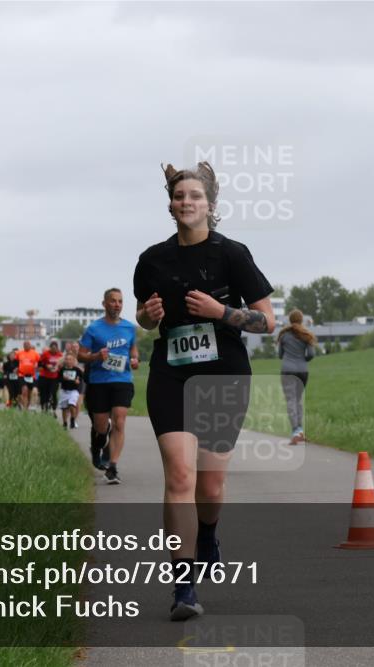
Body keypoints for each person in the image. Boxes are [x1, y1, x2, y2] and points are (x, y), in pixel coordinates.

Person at [134, 162, 274, 621]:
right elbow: (142, 316)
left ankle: (208, 533)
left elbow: (267, 321)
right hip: (171, 373)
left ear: (210, 204)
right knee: (179, 476)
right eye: (179, 196)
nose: (186, 202)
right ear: (170, 204)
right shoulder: (152, 259)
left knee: (209, 485)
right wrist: (149, 316)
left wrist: (221, 312)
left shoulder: (232, 254)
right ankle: (183, 586)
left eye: (195, 195)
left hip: (223, 374)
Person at [79, 288, 140, 480]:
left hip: (122, 380)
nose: (117, 305)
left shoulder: (129, 328)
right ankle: (98, 446)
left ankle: (112, 467)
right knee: (101, 427)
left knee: (119, 422)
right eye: (113, 301)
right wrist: (96, 356)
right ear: (104, 304)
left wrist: (135, 359)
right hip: (99, 382)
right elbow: (81, 355)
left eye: (120, 301)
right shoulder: (93, 329)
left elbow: (133, 349)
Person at [276, 309, 316, 444]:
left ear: (290, 320)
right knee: (298, 401)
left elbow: (280, 355)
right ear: (301, 320)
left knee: (291, 401)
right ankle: (300, 431)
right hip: (303, 371)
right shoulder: (306, 335)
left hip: (288, 371)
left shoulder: (284, 336)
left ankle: (296, 432)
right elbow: (311, 354)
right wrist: (302, 360)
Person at [57, 353, 83, 429]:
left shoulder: (77, 370)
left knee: (72, 405)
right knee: (64, 408)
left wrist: (78, 381)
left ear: (73, 361)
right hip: (64, 390)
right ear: (65, 360)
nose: (68, 361)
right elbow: (58, 379)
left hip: (74, 391)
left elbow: (82, 378)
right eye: (67, 359)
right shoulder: (62, 369)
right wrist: (63, 379)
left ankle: (72, 420)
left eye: (70, 359)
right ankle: (65, 423)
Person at [38, 340, 62, 417]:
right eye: (52, 348)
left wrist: (59, 367)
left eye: (55, 348)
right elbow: (39, 363)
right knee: (44, 394)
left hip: (54, 377)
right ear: (50, 348)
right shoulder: (45, 354)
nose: (54, 350)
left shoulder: (60, 354)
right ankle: (43, 408)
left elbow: (62, 364)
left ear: (57, 348)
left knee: (53, 393)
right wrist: (46, 366)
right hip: (44, 377)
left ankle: (54, 410)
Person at [15, 341, 40, 411]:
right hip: (22, 375)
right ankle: (25, 409)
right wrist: (16, 368)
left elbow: (40, 362)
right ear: (23, 346)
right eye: (25, 345)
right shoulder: (19, 353)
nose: (26, 346)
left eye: (27, 344)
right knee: (24, 391)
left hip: (32, 376)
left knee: (29, 393)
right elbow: (16, 362)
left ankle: (27, 406)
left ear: (30, 345)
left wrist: (38, 367)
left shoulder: (35, 353)